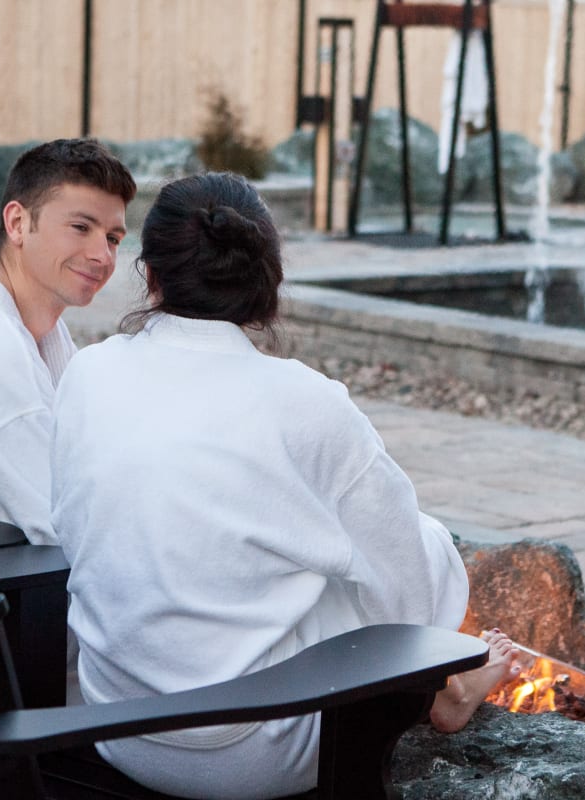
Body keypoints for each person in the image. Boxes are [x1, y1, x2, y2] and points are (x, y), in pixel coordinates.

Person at [51, 172, 517, 799]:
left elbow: (77, 530)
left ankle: (446, 682)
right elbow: (408, 588)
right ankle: (450, 690)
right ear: (263, 284)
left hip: (118, 725)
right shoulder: (307, 402)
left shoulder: (88, 372)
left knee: (309, 551)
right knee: (404, 547)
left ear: (151, 275)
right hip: (250, 753)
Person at [0, 138, 135, 544]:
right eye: (81, 227)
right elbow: (71, 524)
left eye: (113, 238)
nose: (103, 256)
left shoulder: (36, 329)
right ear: (18, 223)